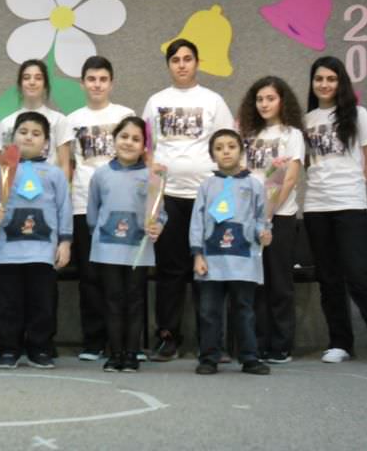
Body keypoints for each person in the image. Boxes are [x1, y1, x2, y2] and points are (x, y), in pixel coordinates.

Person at [303, 56, 367, 367]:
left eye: (331, 79)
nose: (324, 84)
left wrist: (360, 195)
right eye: (319, 79)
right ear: (312, 83)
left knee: (358, 274)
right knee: (329, 278)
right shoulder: (306, 120)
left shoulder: (358, 115)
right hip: (316, 207)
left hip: (350, 205)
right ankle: (339, 343)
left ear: (341, 82)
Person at [141, 39, 234, 360]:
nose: (181, 64)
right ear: (169, 65)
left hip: (206, 198)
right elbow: (147, 149)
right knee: (170, 271)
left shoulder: (213, 101)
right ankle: (168, 338)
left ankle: (213, 343)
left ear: (197, 62)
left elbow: (228, 146)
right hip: (168, 197)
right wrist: (153, 186)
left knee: (208, 269)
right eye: (175, 60)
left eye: (187, 59)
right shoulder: (156, 102)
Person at [0, 112, 72, 369]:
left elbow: (64, 209)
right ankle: (9, 349)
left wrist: (65, 242)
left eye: (36, 133)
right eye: (23, 132)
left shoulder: (55, 174)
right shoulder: (0, 173)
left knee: (42, 303)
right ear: (13, 138)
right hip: (7, 252)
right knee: (7, 303)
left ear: (46, 142)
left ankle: (39, 348)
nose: (28, 137)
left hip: (43, 252)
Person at [66, 56, 135, 361]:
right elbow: (68, 165)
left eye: (103, 79)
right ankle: (94, 341)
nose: (97, 85)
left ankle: (124, 342)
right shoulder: (71, 120)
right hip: (84, 205)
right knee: (90, 276)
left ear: (111, 83)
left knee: (123, 277)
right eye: (91, 79)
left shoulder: (125, 115)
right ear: (82, 83)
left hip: (122, 208)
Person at [189, 129, 272, 376]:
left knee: (244, 310)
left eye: (231, 146)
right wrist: (197, 254)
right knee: (209, 311)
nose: (226, 151)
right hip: (211, 260)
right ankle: (209, 357)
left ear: (241, 150)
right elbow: (197, 221)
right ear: (212, 155)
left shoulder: (254, 185)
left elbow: (261, 217)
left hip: (243, 260)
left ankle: (250, 357)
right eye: (219, 148)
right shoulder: (206, 186)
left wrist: (264, 232)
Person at [87, 117, 165, 372]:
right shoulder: (101, 174)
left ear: (144, 146)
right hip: (107, 249)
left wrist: (157, 225)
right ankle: (115, 353)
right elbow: (92, 212)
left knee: (134, 300)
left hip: (138, 250)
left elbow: (160, 213)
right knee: (112, 300)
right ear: (114, 139)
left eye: (136, 139)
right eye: (124, 136)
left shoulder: (152, 176)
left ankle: (131, 353)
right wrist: (99, 235)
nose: (129, 142)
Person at [237, 76, 305, 363]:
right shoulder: (248, 134)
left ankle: (281, 345)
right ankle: (257, 343)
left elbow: (290, 178)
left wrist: (269, 212)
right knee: (254, 284)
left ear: (282, 101)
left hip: (280, 217)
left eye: (270, 98)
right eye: (259, 99)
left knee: (279, 282)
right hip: (248, 218)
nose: (264, 104)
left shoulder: (292, 134)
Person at [0, 59, 72, 180]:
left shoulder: (59, 120)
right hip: (16, 187)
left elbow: (64, 165)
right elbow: (4, 166)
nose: (32, 82)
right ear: (20, 84)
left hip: (48, 187)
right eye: (26, 78)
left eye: (38, 78)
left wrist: (62, 190)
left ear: (45, 85)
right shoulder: (6, 123)